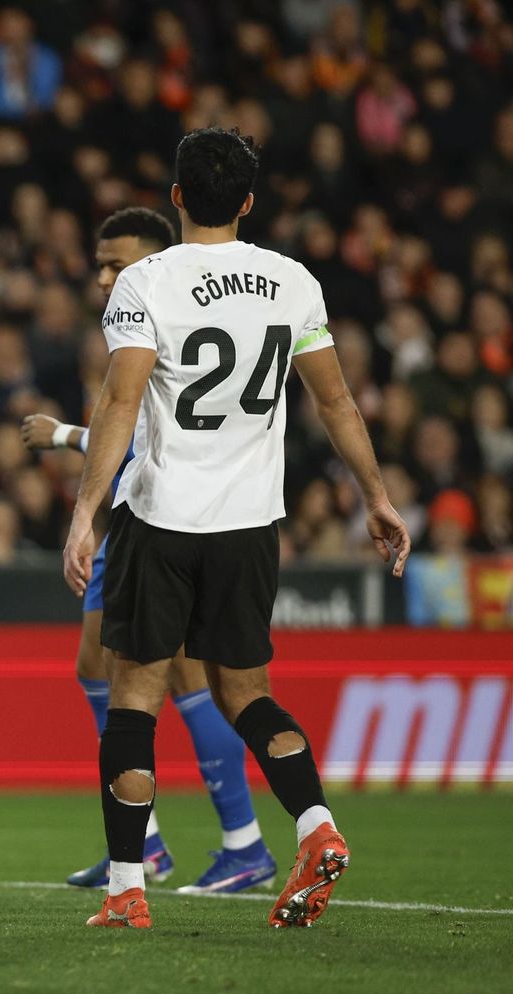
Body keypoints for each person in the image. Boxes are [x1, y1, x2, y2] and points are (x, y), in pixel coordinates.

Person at [65, 128, 410, 930]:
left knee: (134, 699)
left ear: (177, 196)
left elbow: (120, 404)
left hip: (161, 518)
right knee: (248, 695)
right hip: (252, 525)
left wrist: (85, 512)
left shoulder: (145, 282)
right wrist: (378, 497)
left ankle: (126, 889)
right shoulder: (292, 282)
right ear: (249, 202)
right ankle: (316, 826)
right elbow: (336, 404)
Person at [21, 208, 276, 895]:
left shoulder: (169, 311)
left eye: (118, 262)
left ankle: (242, 842)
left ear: (158, 259)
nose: (104, 277)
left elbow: (148, 433)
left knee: (187, 680)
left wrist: (66, 436)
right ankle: (142, 839)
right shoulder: (129, 316)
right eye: (100, 264)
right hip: (130, 520)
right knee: (95, 667)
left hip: (171, 524)